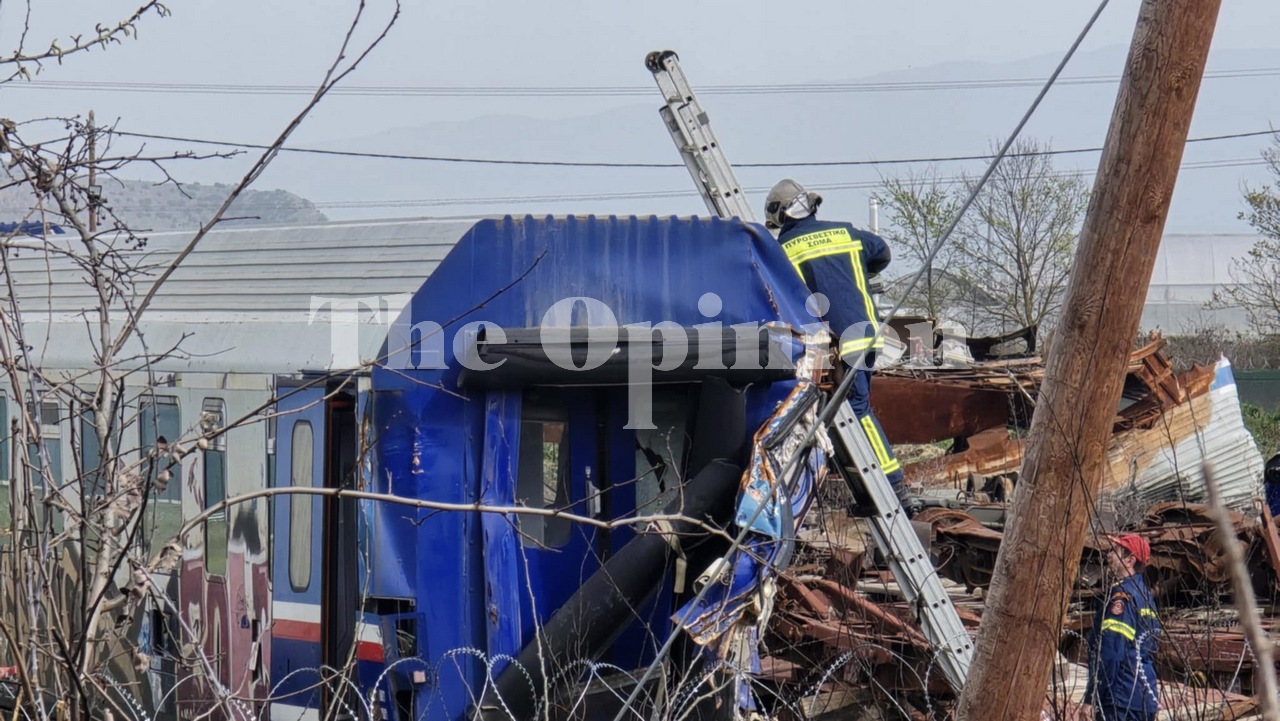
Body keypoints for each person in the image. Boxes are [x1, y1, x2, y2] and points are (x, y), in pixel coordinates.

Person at [764, 179, 914, 512]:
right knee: (842, 416)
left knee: (857, 412)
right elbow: (883, 252)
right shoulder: (845, 233)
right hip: (867, 334)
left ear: (779, 216)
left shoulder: (784, 250)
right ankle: (869, 493)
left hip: (834, 345)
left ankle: (893, 488)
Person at [1083, 533, 1160, 721]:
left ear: (1129, 560)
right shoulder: (1146, 597)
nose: (1108, 555)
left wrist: (1092, 697)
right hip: (1144, 694)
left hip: (1120, 697)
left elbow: (1111, 652)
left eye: (1114, 551)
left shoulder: (1122, 598)